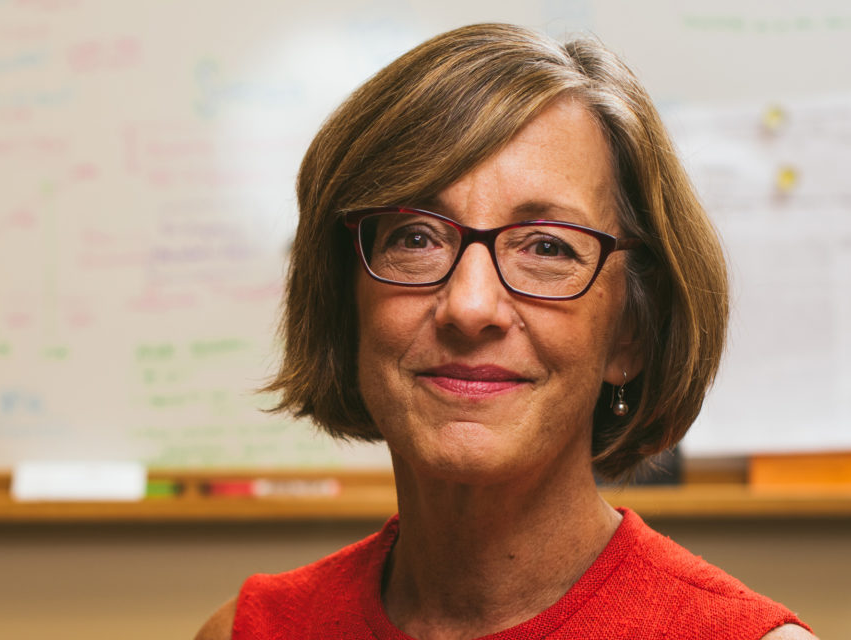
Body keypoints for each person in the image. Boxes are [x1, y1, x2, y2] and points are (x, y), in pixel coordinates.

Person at [196, 24, 815, 640]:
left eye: (547, 247)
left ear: (629, 333)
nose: (469, 307)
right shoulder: (252, 631)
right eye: (416, 237)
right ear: (345, 299)